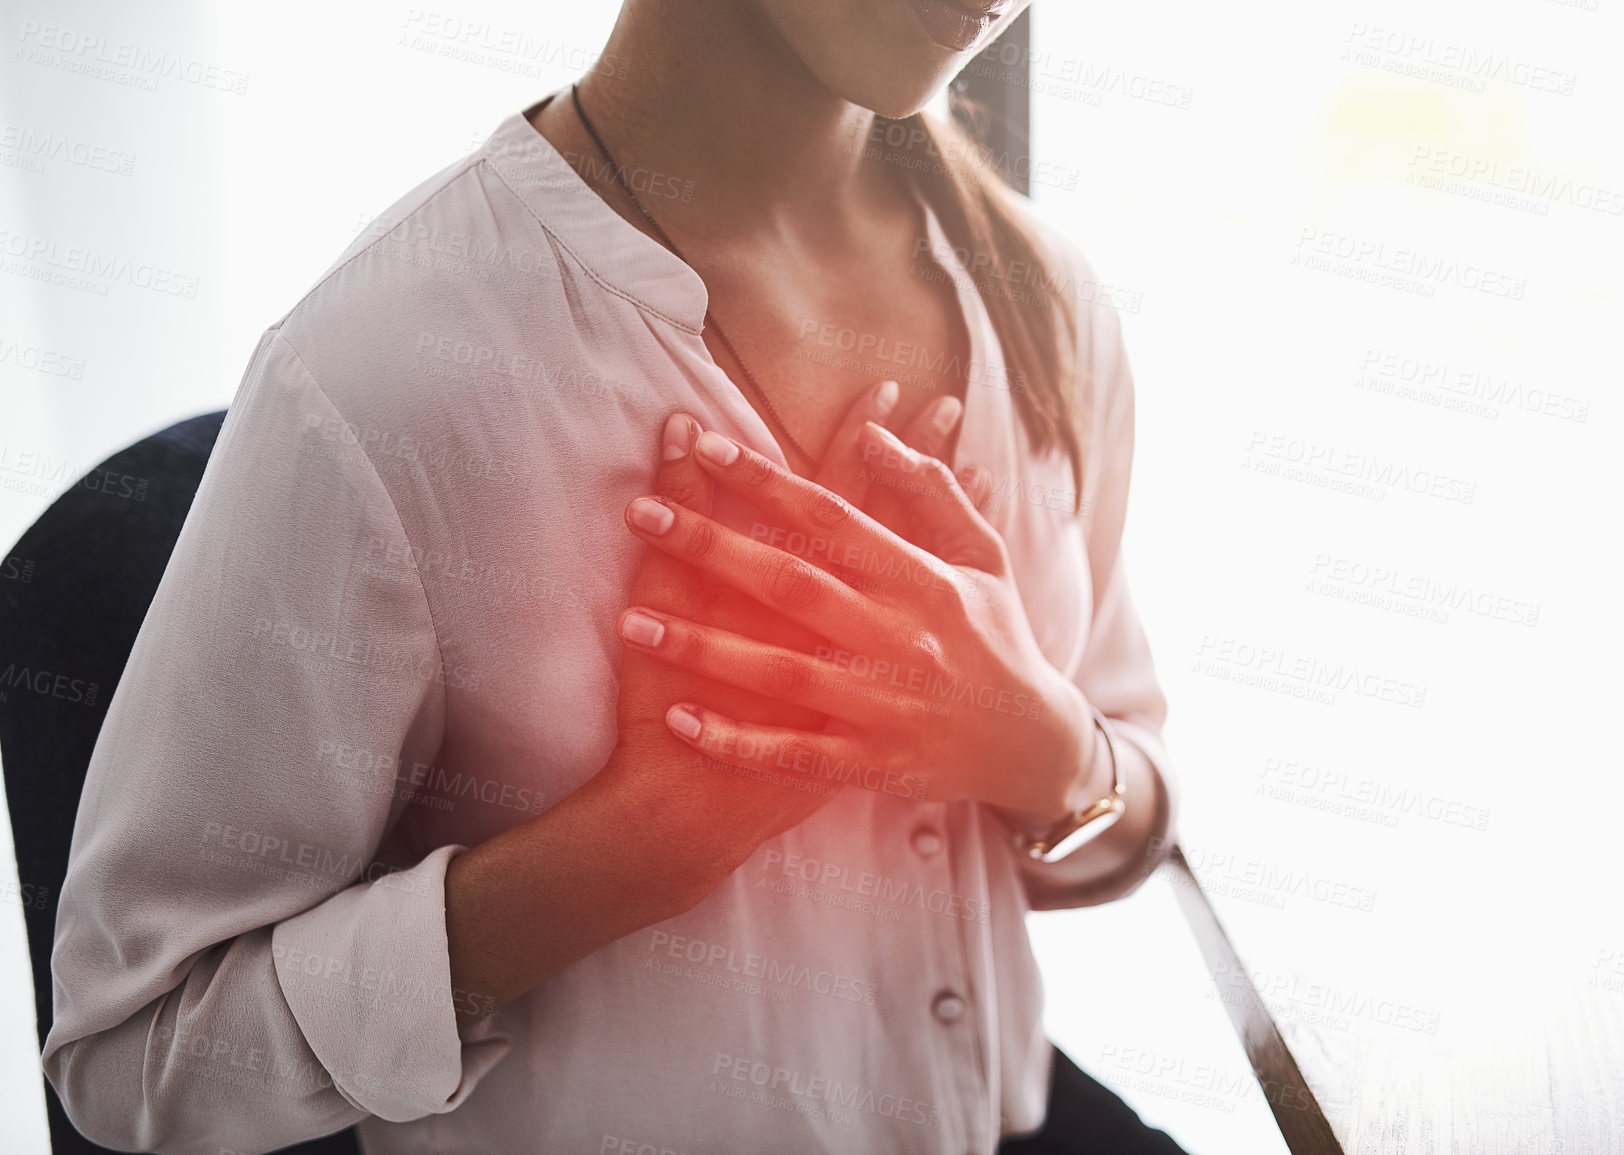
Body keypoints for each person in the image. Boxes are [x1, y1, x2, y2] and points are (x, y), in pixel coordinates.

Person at [43, 1, 1184, 1151]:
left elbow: (1131, 796)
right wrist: (625, 857)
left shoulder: (1050, 305)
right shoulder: (382, 376)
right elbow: (130, 1054)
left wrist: (1047, 750)